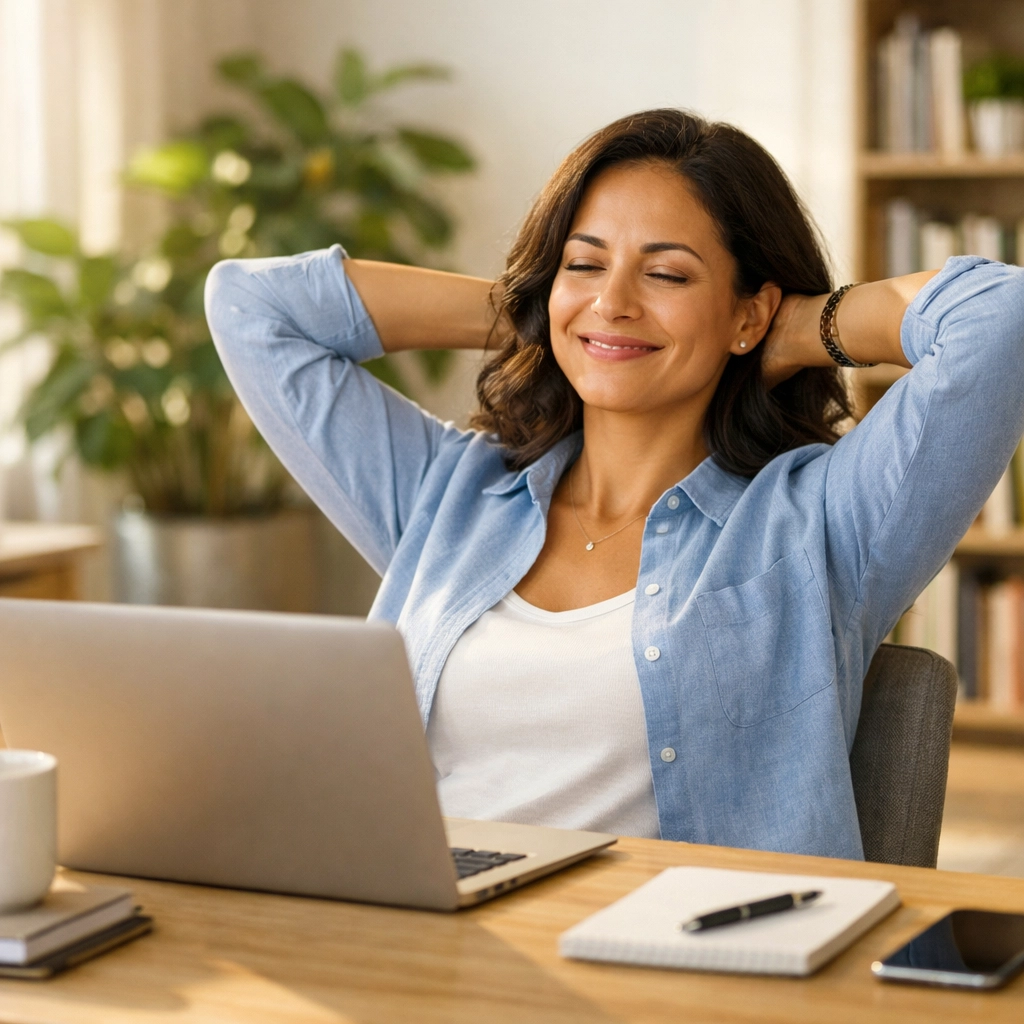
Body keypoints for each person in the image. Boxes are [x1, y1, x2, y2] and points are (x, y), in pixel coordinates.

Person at [205, 109, 1024, 859]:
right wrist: (543, 314)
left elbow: (999, 317)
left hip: (685, 974)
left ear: (749, 314)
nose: (616, 301)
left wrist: (804, 328)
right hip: (426, 950)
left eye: (666, 275)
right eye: (585, 263)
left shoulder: (818, 525)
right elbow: (250, 306)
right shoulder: (450, 494)